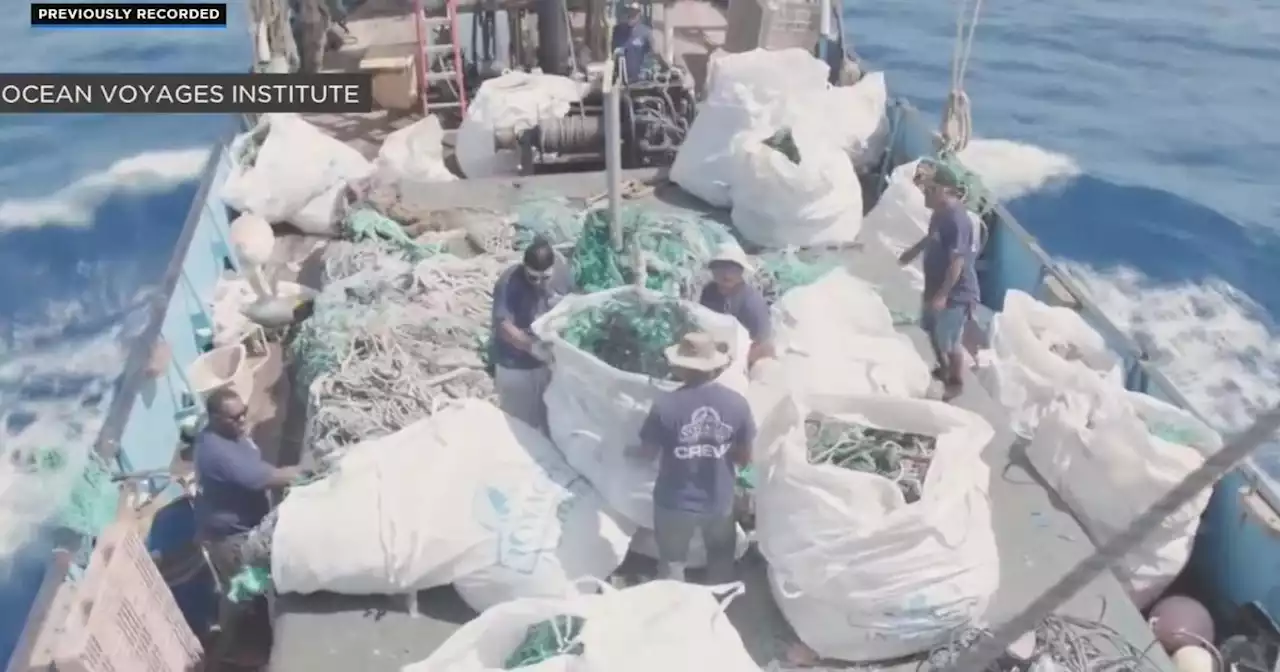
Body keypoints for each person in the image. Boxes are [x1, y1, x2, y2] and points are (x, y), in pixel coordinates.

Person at [631, 332, 756, 583]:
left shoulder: (665, 406)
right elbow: (745, 459)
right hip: (718, 501)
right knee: (721, 560)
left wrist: (626, 451)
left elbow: (647, 454)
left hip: (674, 502)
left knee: (672, 563)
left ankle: (676, 611)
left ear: (681, 367)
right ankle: (718, 609)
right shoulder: (737, 404)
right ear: (714, 367)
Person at [194, 388, 303, 666]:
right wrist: (311, 472)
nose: (242, 421)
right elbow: (269, 477)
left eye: (244, 413)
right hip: (232, 539)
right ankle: (229, 652)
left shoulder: (230, 435)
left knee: (247, 591)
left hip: (243, 524)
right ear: (215, 419)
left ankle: (240, 638)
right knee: (245, 593)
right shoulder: (218, 453)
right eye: (234, 418)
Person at [897, 164, 981, 401]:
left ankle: (956, 381)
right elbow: (931, 237)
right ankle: (942, 368)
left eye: (930, 189)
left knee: (949, 339)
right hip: (934, 286)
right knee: (929, 330)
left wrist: (943, 295)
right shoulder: (939, 213)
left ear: (945, 190)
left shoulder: (957, 220)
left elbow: (957, 262)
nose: (924, 193)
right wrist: (912, 252)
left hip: (956, 293)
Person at [491, 236, 571, 431]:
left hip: (547, 362)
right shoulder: (509, 282)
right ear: (524, 268)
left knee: (548, 420)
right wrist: (531, 346)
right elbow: (503, 326)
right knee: (517, 424)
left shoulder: (563, 274)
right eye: (533, 278)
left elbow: (572, 302)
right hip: (514, 364)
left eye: (545, 278)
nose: (539, 283)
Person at [699, 244, 775, 368]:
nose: (726, 274)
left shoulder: (752, 302)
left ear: (741, 271)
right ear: (712, 270)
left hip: (743, 361)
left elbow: (763, 344)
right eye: (720, 268)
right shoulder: (709, 292)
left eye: (732, 269)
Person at [611, 2, 652, 85]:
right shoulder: (617, 30)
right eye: (628, 12)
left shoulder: (646, 32)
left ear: (639, 14)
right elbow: (611, 52)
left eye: (634, 13)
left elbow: (651, 54)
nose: (631, 15)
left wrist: (645, 70)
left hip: (639, 80)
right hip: (620, 80)